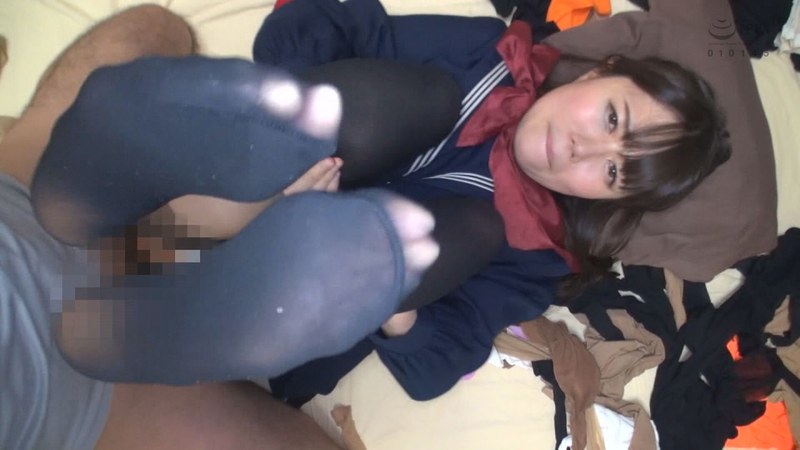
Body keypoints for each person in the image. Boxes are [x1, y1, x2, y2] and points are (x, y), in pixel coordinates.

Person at [0, 5, 443, 449]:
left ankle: (188, 242)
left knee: (150, 30)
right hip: (74, 408)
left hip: (20, 206)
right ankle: (201, 276)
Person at [252, 0, 732, 401]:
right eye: (610, 119)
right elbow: (317, 25)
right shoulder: (488, 56)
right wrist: (293, 140)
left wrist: (388, 293)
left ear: (609, 199)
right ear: (599, 72)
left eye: (611, 172)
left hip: (284, 302)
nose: (580, 149)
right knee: (427, 98)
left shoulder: (537, 257)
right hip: (247, 182)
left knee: (476, 229)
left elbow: (434, 368)